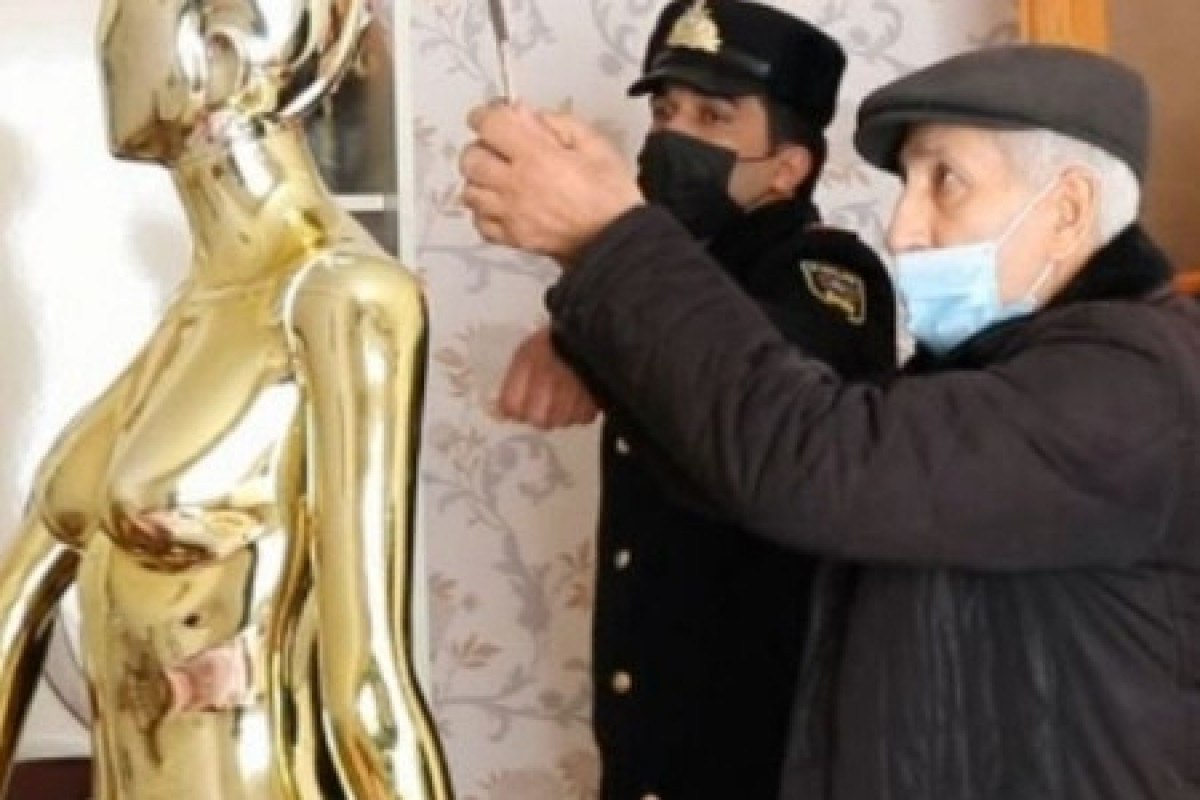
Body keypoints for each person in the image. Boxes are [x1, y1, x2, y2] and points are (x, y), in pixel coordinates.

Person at [461, 43, 1200, 800]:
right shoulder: (1000, 367)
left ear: (1069, 210)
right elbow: (731, 475)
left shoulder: (1132, 380)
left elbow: (814, 455)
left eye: (945, 181)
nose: (903, 229)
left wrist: (607, 241)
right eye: (907, 184)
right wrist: (596, 292)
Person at [0, 0, 451, 797]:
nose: (107, 37)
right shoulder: (195, 319)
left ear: (222, 52)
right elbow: (12, 619)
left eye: (131, 14)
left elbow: (367, 688)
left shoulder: (341, 297)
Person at [495, 1, 895, 797]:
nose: (672, 136)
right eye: (665, 111)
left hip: (765, 762)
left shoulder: (826, 276)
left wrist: (587, 324)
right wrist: (579, 327)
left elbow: (740, 399)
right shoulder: (674, 283)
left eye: (713, 117)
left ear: (787, 168)